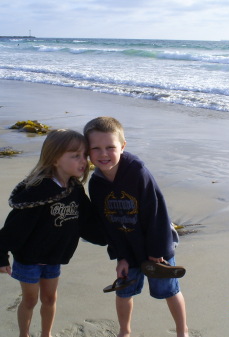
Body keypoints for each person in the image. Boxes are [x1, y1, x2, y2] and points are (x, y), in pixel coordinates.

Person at [0, 129, 106, 337]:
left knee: (50, 299)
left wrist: (110, 238)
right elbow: (13, 229)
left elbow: (88, 223)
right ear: (55, 159)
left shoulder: (75, 190)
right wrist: (0, 256)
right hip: (29, 259)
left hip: (54, 257)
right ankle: (24, 334)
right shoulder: (39, 192)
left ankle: (47, 333)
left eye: (84, 156)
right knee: (30, 300)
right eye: (75, 156)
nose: (84, 161)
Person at [83, 117, 189, 337]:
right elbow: (106, 223)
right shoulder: (96, 183)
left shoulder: (137, 172)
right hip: (127, 248)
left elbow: (157, 214)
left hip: (157, 246)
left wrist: (156, 252)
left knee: (169, 290)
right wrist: (120, 255)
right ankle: (125, 331)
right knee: (123, 291)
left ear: (122, 146)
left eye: (110, 147)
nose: (103, 154)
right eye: (96, 148)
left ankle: (182, 330)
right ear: (88, 152)